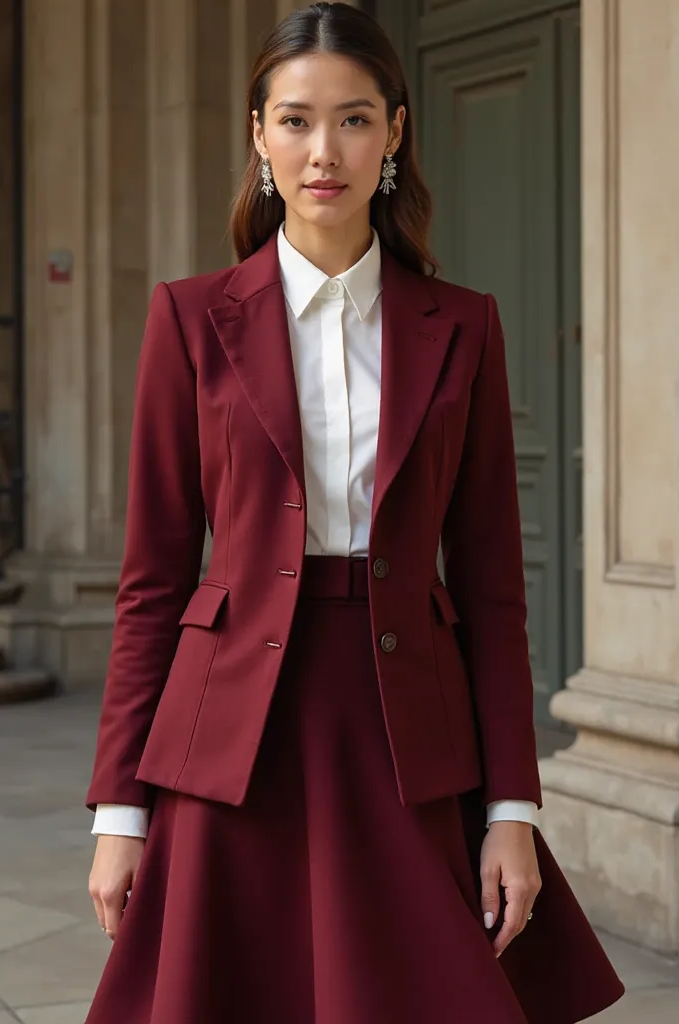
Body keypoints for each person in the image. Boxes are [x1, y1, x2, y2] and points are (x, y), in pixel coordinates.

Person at [84, 4, 625, 1022]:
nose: (321, 150)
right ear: (257, 134)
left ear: (394, 132)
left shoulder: (462, 325)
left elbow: (493, 588)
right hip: (230, 734)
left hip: (403, 726)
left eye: (352, 119)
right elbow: (152, 583)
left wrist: (509, 806)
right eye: (293, 120)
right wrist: (121, 808)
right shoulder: (190, 319)